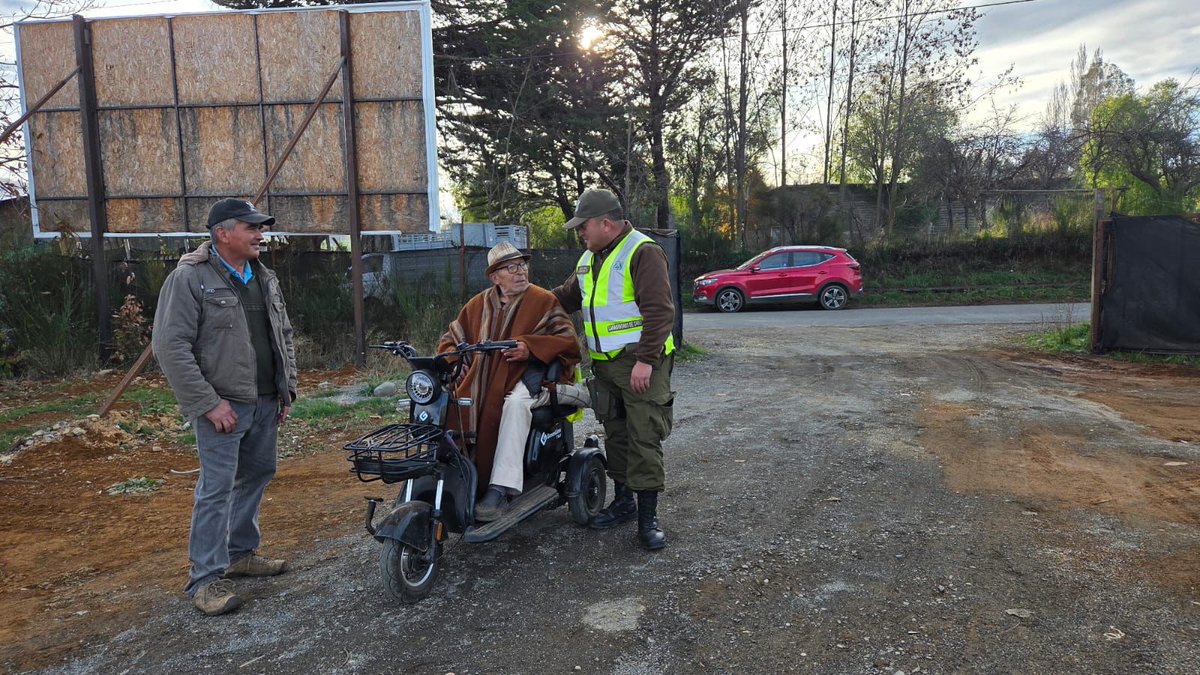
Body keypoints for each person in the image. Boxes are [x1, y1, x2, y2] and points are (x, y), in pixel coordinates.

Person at [152, 198, 297, 616]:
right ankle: (205, 579)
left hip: (266, 399)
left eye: (260, 228)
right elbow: (169, 346)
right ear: (222, 233)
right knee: (216, 488)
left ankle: (240, 552)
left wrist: (285, 389)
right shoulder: (190, 278)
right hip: (223, 405)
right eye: (251, 228)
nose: (260, 235)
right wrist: (207, 403)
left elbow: (282, 333)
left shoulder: (263, 277)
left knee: (259, 472)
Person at [551, 189, 675, 551]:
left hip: (640, 364)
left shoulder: (643, 251)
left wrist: (645, 361)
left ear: (606, 223)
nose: (580, 233)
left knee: (643, 435)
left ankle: (648, 518)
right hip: (606, 367)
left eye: (583, 226)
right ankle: (624, 503)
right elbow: (566, 296)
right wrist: (525, 297)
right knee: (616, 434)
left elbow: (660, 312)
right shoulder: (590, 259)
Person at [438, 241, 581, 522]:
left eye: (523, 265)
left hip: (534, 378)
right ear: (495, 277)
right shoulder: (477, 305)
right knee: (455, 401)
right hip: (485, 379)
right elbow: (450, 340)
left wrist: (530, 348)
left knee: (514, 404)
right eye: (511, 267)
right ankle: (460, 477)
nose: (520, 272)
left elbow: (568, 342)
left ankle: (500, 487)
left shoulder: (543, 300)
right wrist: (456, 361)